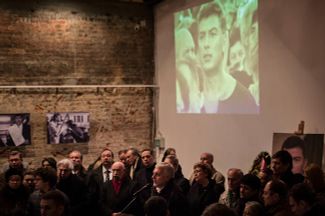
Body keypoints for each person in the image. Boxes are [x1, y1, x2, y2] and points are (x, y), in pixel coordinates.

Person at [196, 1, 257, 113]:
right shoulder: (193, 101)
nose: (206, 44)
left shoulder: (244, 99)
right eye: (202, 36)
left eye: (213, 34)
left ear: (224, 39)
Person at [87, 148, 114, 215]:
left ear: (112, 158)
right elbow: (92, 194)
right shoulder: (93, 174)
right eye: (103, 156)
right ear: (100, 159)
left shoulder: (119, 171)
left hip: (114, 207)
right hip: (99, 209)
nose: (106, 158)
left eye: (108, 156)